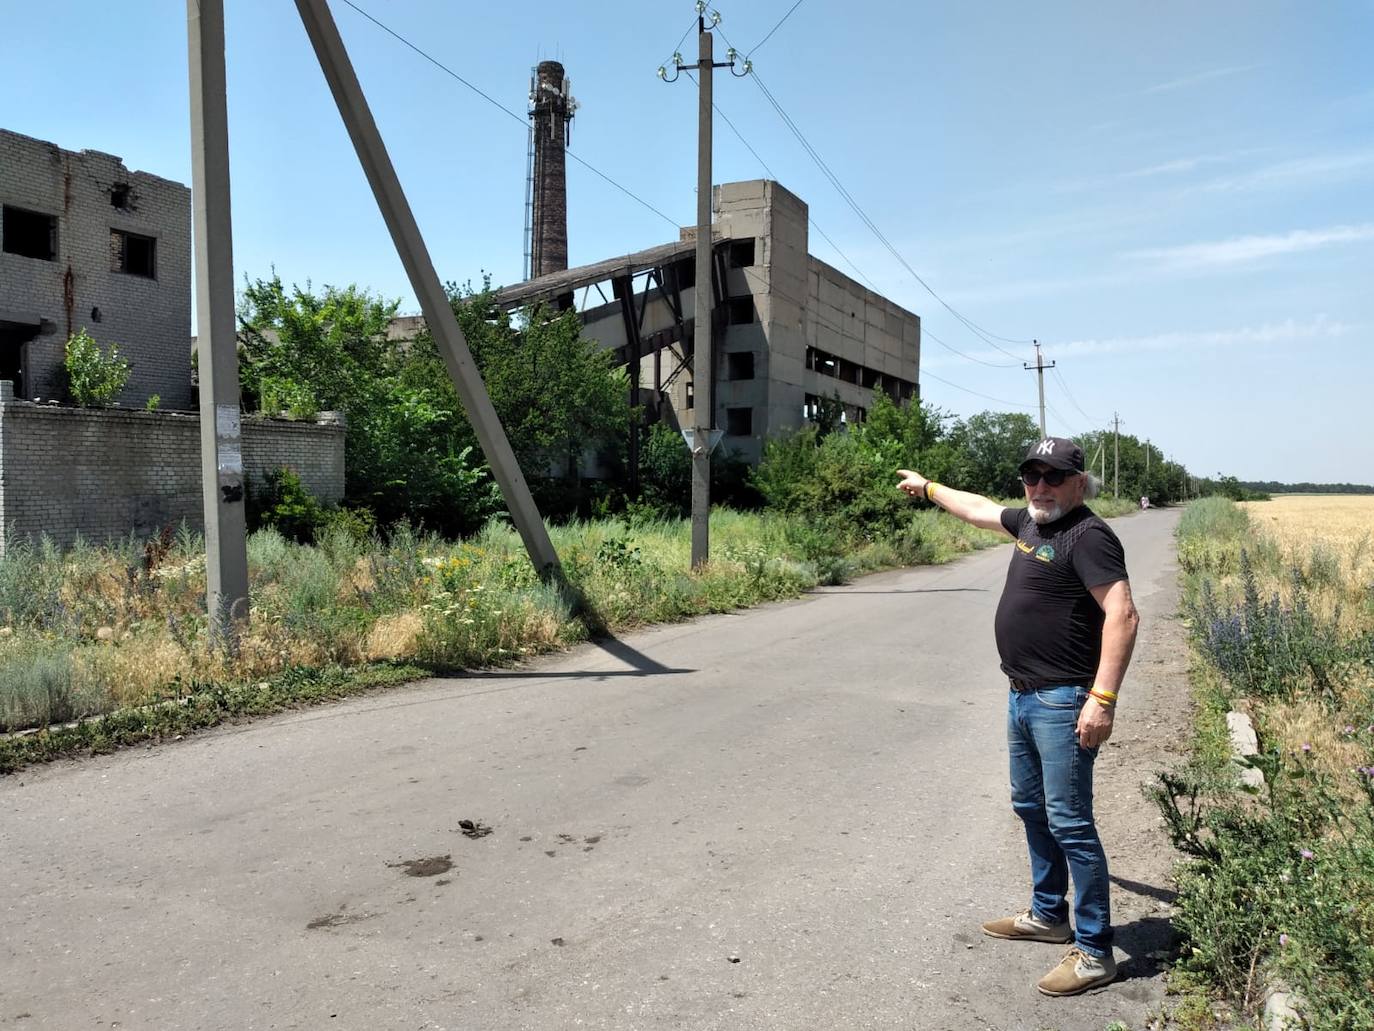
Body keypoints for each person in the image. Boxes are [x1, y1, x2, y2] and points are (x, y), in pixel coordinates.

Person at [896, 437, 1139, 996]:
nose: (1040, 486)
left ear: (1079, 481)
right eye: (1032, 475)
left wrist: (1102, 700)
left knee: (1071, 822)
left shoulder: (1089, 535)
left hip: (1063, 701)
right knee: (1031, 807)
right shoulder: (1033, 523)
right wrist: (929, 487)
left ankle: (1095, 952)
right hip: (1023, 695)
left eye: (1053, 477)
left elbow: (1123, 615)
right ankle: (1048, 915)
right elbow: (980, 508)